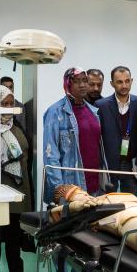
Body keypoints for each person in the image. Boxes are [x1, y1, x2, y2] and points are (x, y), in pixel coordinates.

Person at [0, 85, 34, 272]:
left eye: (10, 103)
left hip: (18, 192)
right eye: (3, 103)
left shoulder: (16, 126)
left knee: (14, 239)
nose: (7, 108)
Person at [42, 66, 108, 202]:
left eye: (85, 81)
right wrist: (60, 189)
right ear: (68, 84)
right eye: (77, 81)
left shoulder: (93, 111)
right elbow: (50, 154)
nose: (82, 85)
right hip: (70, 185)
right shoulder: (56, 112)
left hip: (95, 181)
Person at [96, 65, 137, 195]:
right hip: (109, 163)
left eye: (127, 81)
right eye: (119, 82)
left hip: (131, 163)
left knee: (130, 201)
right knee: (107, 201)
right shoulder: (101, 105)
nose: (124, 85)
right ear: (112, 84)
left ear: (131, 81)